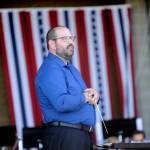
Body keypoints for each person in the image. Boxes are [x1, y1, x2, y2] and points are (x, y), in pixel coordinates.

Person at [35, 26, 100, 150]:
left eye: (71, 38)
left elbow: (83, 96)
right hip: (65, 136)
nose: (70, 42)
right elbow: (62, 103)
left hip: (80, 136)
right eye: (64, 39)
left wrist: (94, 95)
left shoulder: (71, 68)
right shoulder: (50, 69)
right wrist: (85, 97)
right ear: (52, 44)